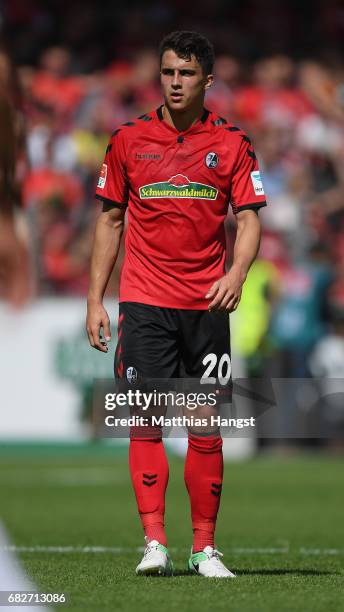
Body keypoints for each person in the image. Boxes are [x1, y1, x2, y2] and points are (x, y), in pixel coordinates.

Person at [86, 31, 266, 578]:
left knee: (204, 423)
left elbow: (251, 218)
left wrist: (237, 271)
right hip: (144, 303)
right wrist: (94, 298)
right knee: (144, 420)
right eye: (168, 72)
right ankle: (155, 542)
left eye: (186, 74)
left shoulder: (233, 143)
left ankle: (205, 548)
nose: (175, 82)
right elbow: (110, 221)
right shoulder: (127, 140)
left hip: (206, 306)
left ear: (207, 80)